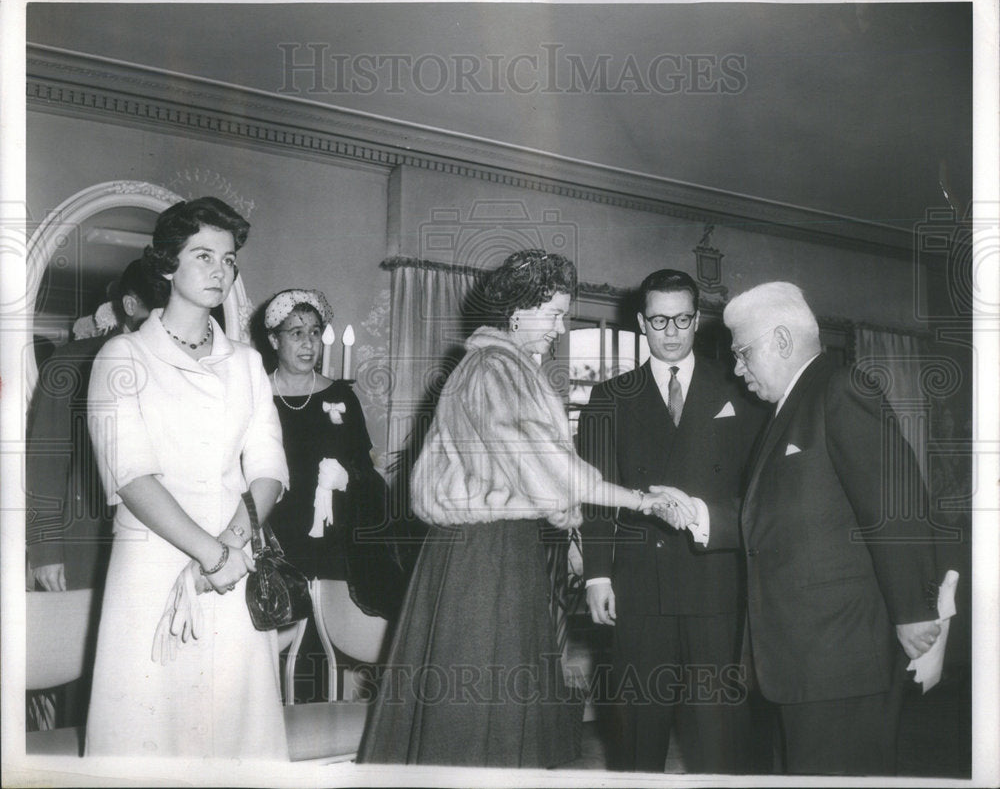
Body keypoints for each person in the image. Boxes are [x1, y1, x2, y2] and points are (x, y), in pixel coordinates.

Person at [357, 250, 675, 768]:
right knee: (481, 703)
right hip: (485, 556)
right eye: (551, 313)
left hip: (491, 551)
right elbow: (549, 466)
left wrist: (567, 524)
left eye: (563, 314)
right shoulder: (495, 368)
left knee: (484, 704)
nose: (559, 327)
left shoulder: (501, 367)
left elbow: (529, 471)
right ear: (516, 312)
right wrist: (640, 500)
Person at [669, 281, 940, 775]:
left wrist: (915, 611)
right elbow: (781, 514)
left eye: (743, 353)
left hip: (841, 661)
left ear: (782, 341)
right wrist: (696, 514)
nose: (736, 368)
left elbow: (896, 504)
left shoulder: (840, 389)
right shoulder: (787, 410)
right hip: (802, 659)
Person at [85, 197, 290, 759]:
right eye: (204, 256)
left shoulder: (247, 362)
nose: (220, 271)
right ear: (167, 265)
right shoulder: (122, 356)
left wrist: (230, 547)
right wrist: (210, 556)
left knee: (234, 733)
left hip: (236, 553)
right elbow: (131, 475)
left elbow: (269, 468)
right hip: (153, 565)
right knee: (151, 731)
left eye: (228, 260)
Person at [576, 269, 767, 773]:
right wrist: (597, 573)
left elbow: (758, 488)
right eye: (659, 319)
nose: (671, 331)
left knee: (720, 732)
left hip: (717, 582)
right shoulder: (609, 397)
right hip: (640, 586)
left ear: (697, 319)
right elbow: (594, 495)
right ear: (642, 322)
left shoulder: (741, 390)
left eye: (682, 318)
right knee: (640, 729)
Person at [262, 288, 406, 700]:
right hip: (272, 539)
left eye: (314, 332)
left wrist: (350, 476)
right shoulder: (256, 395)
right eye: (295, 333)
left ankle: (317, 725)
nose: (308, 343)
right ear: (274, 340)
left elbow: (365, 468)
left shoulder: (340, 395)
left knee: (321, 652)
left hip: (330, 542)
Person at [27, 259, 166, 593]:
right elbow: (45, 464)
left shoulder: (181, 370)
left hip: (162, 543)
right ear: (131, 306)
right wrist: (45, 550)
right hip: (88, 543)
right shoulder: (72, 363)